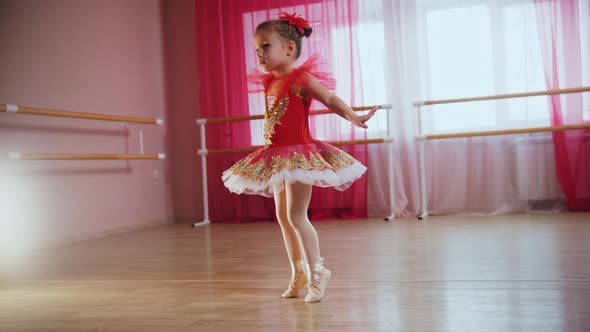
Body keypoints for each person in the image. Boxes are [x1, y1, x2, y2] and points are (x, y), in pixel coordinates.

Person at [222, 12, 376, 303]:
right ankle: (298, 272)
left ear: (289, 48)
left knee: (296, 214)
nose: (260, 54)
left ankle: (318, 272)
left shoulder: (300, 78)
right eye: (256, 49)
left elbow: (329, 98)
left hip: (300, 155)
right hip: (276, 156)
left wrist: (353, 116)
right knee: (282, 216)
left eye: (265, 46)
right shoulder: (270, 82)